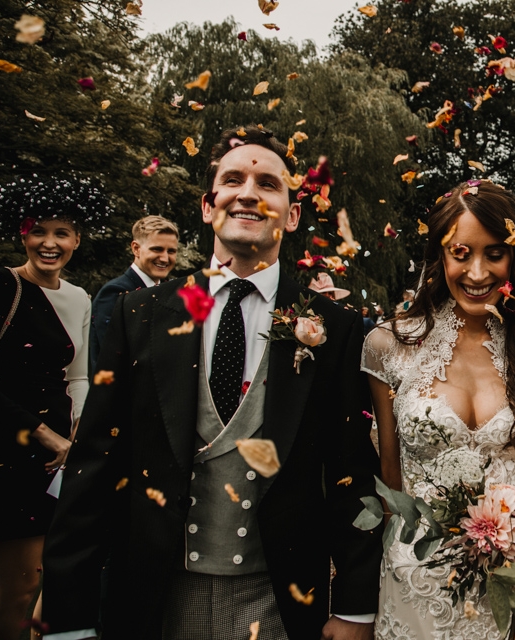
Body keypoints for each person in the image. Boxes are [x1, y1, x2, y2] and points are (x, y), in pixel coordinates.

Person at [41, 126, 383, 640]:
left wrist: (355, 605)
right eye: (233, 180)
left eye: (268, 183)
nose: (248, 192)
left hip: (280, 598)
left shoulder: (334, 328)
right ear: (209, 206)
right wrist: (68, 620)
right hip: (155, 595)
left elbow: (351, 471)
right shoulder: (142, 313)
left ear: (290, 215)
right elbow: (94, 463)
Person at [362, 180, 515, 639]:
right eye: (461, 253)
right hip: (419, 585)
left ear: (514, 257)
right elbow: (389, 484)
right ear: (439, 257)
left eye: (494, 254)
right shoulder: (389, 346)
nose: (477, 273)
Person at [0, 175, 105, 640]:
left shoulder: (79, 298)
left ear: (76, 240)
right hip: (6, 453)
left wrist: (77, 436)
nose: (49, 243)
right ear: (22, 235)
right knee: (12, 593)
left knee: (55, 586)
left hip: (59, 460)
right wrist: (44, 434)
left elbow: (78, 376)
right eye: (39, 232)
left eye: (61, 233)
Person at [89, 216, 180, 373]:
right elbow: (114, 358)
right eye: (157, 249)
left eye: (171, 251)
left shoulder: (169, 293)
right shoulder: (116, 292)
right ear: (136, 248)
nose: (165, 258)